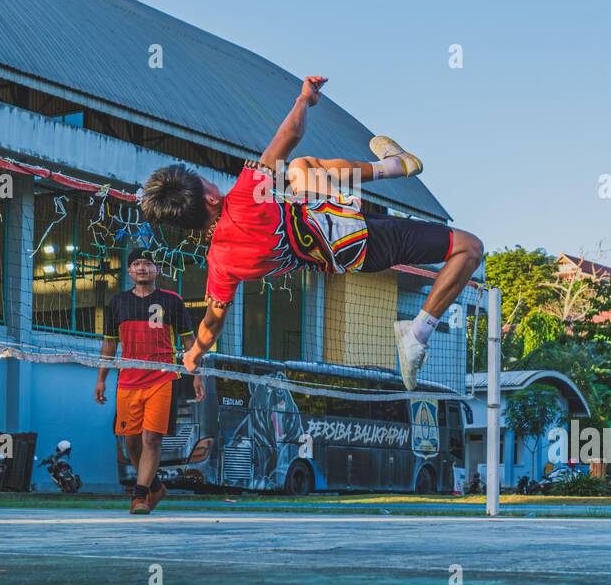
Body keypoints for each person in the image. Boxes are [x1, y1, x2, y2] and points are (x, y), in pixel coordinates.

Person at [138, 76, 484, 391]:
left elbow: (211, 325)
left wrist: (194, 355)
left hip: (337, 244)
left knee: (303, 170)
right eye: (204, 180)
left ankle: (394, 165)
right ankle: (418, 332)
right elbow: (289, 136)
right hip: (361, 239)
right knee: (469, 248)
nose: (211, 181)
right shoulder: (243, 197)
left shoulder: (220, 263)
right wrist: (304, 100)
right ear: (210, 198)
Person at [95, 249, 202, 515]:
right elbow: (109, 343)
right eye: (136, 264)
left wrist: (198, 374)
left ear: (157, 269)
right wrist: (101, 379)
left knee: (151, 438)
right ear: (129, 271)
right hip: (128, 380)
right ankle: (156, 487)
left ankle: (139, 496)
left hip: (162, 377)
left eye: (147, 263)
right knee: (131, 441)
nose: (141, 267)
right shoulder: (117, 302)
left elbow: (190, 342)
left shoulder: (172, 301)